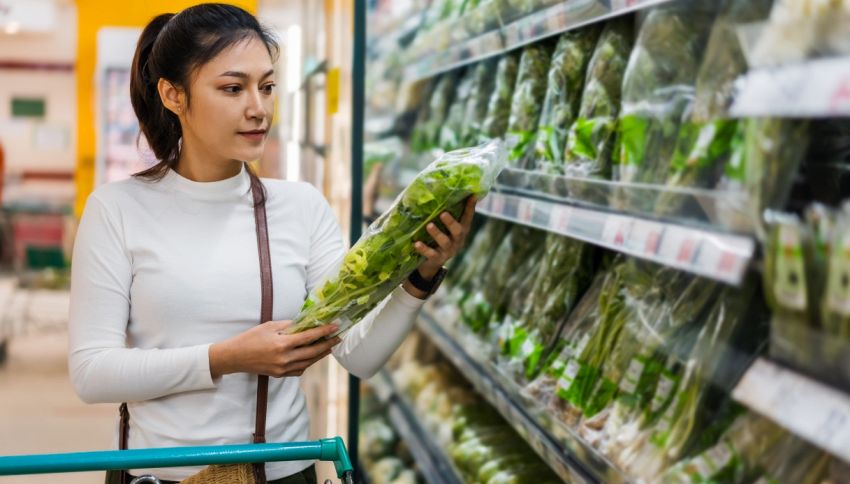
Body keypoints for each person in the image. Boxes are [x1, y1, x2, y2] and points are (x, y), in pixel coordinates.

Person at [67, 4, 474, 484]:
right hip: (161, 475)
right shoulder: (118, 209)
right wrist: (226, 358)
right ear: (174, 95)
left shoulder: (301, 207)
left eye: (267, 86)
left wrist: (420, 276)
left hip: (281, 471)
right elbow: (92, 372)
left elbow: (358, 356)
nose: (258, 108)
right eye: (233, 88)